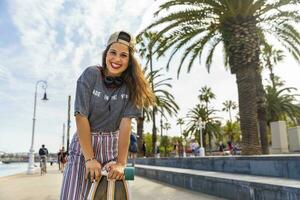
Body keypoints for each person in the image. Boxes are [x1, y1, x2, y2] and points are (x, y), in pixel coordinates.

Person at [60, 30, 155, 200]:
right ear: (106, 54)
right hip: (84, 146)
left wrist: (121, 164)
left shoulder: (132, 86)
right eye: (113, 52)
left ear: (130, 60)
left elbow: (126, 125)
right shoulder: (90, 74)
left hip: (113, 147)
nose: (117, 59)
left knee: (116, 193)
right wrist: (89, 159)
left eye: (123, 55)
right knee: (71, 195)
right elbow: (80, 116)